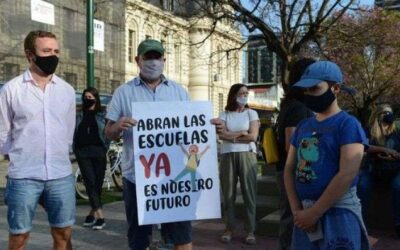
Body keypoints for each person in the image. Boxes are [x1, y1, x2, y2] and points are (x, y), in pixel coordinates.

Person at [106, 39, 224, 250]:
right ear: (137, 60)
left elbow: (190, 129)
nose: (153, 62)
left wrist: (208, 127)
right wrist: (117, 126)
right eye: (148, 57)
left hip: (173, 180)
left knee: (182, 237)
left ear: (164, 60)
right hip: (137, 177)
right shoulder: (123, 93)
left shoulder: (178, 92)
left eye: (157, 57)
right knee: (139, 239)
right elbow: (108, 132)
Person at [0, 30, 76, 249]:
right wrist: (19, 155)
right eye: (46, 51)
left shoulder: (67, 91)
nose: (52, 55)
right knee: (19, 236)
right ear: (29, 54)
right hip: (24, 175)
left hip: (60, 175)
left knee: (63, 233)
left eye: (56, 51)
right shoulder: (11, 90)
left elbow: (68, 131)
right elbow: (3, 133)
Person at [284, 61, 370, 249]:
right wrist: (298, 212)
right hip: (305, 214)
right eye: (305, 90)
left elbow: (347, 173)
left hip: (339, 212)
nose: (308, 95)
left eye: (314, 88)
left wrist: (315, 213)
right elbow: (289, 168)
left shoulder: (348, 124)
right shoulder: (303, 126)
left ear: (336, 88)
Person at [276, 58, 315, 250]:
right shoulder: (299, 107)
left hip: (291, 171)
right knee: (292, 218)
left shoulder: (293, 105)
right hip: (293, 172)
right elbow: (291, 144)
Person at [217, 83, 260, 245]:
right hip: (227, 155)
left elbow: (253, 137)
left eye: (246, 93)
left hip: (247, 154)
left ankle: (250, 230)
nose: (244, 96)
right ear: (233, 95)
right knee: (228, 194)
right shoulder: (224, 114)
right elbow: (221, 135)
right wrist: (241, 133)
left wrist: (231, 135)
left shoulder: (252, 113)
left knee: (249, 193)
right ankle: (228, 229)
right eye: (241, 93)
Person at [357, 104, 400, 236]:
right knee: (362, 186)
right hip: (373, 169)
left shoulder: (397, 132)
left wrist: (396, 155)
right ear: (378, 115)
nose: (389, 115)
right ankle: (361, 225)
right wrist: (384, 150)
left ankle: (398, 224)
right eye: (386, 113)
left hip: (395, 169)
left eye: (391, 112)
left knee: (398, 187)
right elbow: (363, 146)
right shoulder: (369, 130)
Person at [73, 87, 108, 230]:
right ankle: (100, 217)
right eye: (85, 97)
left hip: (98, 151)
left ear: (95, 98)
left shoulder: (102, 114)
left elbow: (108, 132)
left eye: (90, 97)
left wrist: (105, 147)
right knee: (90, 182)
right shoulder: (78, 114)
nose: (87, 100)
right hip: (83, 152)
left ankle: (90, 214)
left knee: (97, 185)